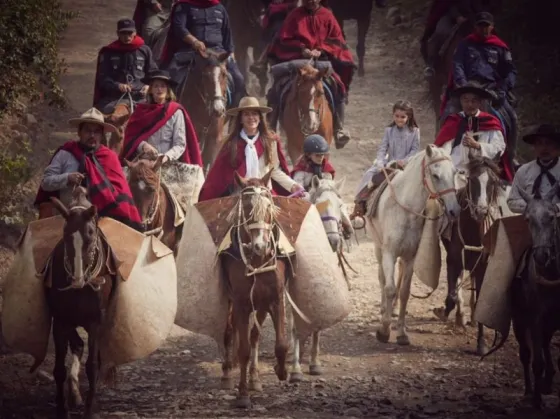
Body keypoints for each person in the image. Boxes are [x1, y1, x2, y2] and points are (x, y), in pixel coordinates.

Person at [267, 0, 357, 149]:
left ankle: (339, 128)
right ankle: (271, 127)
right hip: (298, 59)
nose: (310, 1)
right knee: (277, 86)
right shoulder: (295, 15)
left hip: (321, 61)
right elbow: (284, 38)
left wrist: (321, 49)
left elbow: (337, 40)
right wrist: (302, 48)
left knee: (338, 86)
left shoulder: (327, 15)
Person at [34, 108, 143, 231]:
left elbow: (119, 194)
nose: (92, 135)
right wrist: (67, 178)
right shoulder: (65, 153)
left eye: (96, 132)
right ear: (79, 132)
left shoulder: (109, 157)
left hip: (101, 220)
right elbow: (46, 183)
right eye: (87, 131)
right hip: (65, 216)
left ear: (102, 135)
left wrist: (90, 191)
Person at [198, 96, 304, 200]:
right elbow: (221, 175)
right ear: (241, 119)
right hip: (240, 194)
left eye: (254, 114)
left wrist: (293, 185)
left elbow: (274, 170)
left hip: (265, 193)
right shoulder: (231, 144)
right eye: (246, 114)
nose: (251, 118)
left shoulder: (270, 141)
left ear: (260, 118)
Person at [442, 12, 517, 145]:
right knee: (447, 114)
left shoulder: (500, 47)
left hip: (491, 90)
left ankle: (510, 155)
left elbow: (510, 71)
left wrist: (503, 89)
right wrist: (463, 84)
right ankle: (439, 147)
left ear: (492, 27)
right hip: (468, 87)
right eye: (480, 26)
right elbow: (457, 64)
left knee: (512, 117)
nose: (483, 29)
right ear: (475, 27)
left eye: (486, 26)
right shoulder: (465, 45)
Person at [160, 0, 247, 106]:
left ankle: (235, 115)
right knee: (171, 76)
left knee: (239, 79)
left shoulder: (220, 8)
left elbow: (227, 34)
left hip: (219, 53)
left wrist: (231, 55)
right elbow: (178, 27)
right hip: (191, 51)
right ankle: (168, 110)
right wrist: (194, 41)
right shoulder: (184, 5)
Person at [352, 100, 420, 217]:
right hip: (390, 163)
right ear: (393, 115)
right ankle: (361, 203)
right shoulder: (389, 130)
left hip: (406, 165)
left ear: (408, 117)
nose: (399, 119)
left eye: (402, 117)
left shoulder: (414, 132)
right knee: (370, 174)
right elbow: (383, 148)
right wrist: (380, 162)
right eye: (396, 116)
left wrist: (404, 161)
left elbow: (414, 150)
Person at [434, 82, 513, 181]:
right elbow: (442, 148)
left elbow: (499, 147)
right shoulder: (453, 121)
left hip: (483, 172)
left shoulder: (490, 121)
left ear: (480, 103)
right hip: (455, 172)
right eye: (466, 100)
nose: (469, 104)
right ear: (461, 101)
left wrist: (478, 146)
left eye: (474, 100)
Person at [122, 70, 203, 166]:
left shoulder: (176, 111)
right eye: (156, 86)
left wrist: (165, 157)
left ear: (168, 90)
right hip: (143, 161)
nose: (159, 89)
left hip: (168, 162)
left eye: (162, 86)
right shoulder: (141, 111)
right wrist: (142, 145)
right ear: (151, 90)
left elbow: (180, 144)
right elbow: (131, 137)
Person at [291, 134, 354, 239]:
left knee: (339, 204)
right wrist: (306, 195)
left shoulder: (327, 168)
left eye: (322, 155)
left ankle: (347, 227)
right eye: (317, 155)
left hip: (323, 199)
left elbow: (329, 185)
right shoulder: (300, 170)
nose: (321, 158)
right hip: (306, 200)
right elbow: (298, 188)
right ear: (309, 155)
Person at [93, 18, 157, 118]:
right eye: (123, 33)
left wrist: (149, 86)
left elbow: (154, 73)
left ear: (135, 32)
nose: (127, 36)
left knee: (157, 114)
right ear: (117, 33)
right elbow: (102, 79)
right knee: (97, 118)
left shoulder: (145, 50)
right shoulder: (108, 52)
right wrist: (117, 85)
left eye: (129, 33)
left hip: (140, 97)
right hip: (114, 98)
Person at [421, 0, 484, 78]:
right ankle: (432, 63)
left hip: (473, 19)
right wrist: (457, 16)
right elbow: (450, 5)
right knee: (441, 32)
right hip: (451, 17)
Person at [508, 124, 560, 213]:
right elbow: (512, 201)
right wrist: (532, 206)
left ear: (557, 146)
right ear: (534, 147)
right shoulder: (524, 171)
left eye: (548, 143)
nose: (544, 148)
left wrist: (555, 207)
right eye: (539, 143)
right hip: (532, 223)